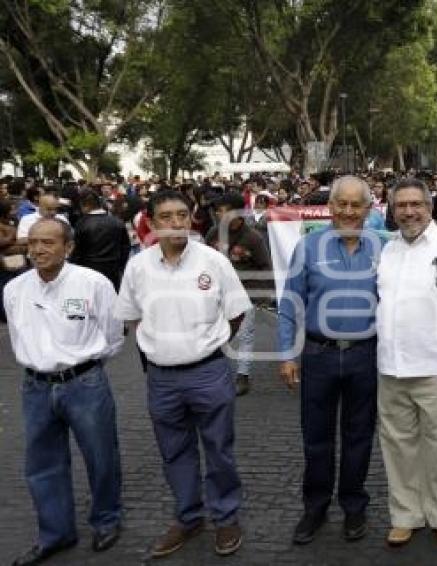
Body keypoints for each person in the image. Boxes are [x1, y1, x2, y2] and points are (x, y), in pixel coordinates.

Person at [114, 190, 252, 558]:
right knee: (174, 452)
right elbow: (131, 315)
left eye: (182, 215)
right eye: (166, 217)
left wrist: (210, 343)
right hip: (161, 379)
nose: (176, 223)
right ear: (152, 223)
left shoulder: (213, 261)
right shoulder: (137, 267)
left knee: (219, 450)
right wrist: (160, 346)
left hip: (208, 372)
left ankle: (225, 518)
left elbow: (237, 311)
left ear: (191, 218)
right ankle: (188, 517)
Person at [3, 219, 124, 565]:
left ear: (68, 247)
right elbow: (17, 335)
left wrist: (82, 366)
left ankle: (107, 520)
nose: (38, 250)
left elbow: (114, 335)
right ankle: (55, 533)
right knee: (43, 464)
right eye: (34, 243)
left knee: (101, 457)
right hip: (35, 387)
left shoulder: (94, 284)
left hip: (85, 384)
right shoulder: (15, 289)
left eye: (48, 243)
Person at [279, 176, 383, 545]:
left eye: (357, 205)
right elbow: (291, 302)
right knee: (316, 438)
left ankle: (354, 506)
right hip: (318, 355)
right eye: (342, 204)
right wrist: (287, 355)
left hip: (365, 357)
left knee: (359, 437)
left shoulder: (381, 249)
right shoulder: (308, 246)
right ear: (331, 206)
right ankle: (316, 506)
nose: (349, 212)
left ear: (368, 210)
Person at [375, 178, 437, 548]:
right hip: (391, 365)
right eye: (401, 205)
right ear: (392, 211)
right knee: (397, 445)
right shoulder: (386, 251)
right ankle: (405, 514)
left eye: (416, 204)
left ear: (429, 208)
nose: (409, 211)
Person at [206, 192, 273, 396]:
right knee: (216, 334)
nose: (220, 214)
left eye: (225, 210)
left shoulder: (253, 237)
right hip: (215, 295)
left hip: (245, 295)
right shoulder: (213, 233)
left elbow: (265, 266)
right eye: (218, 211)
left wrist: (262, 295)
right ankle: (216, 373)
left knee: (245, 335)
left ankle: (243, 376)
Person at [70, 189, 131, 292]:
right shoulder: (117, 222)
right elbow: (125, 247)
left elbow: (77, 252)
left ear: (83, 205)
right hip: (113, 271)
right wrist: (119, 266)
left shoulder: (82, 224)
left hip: (88, 272)